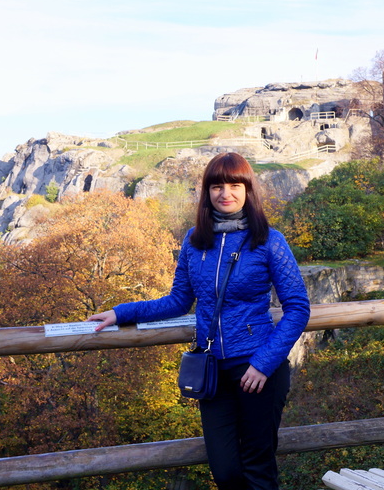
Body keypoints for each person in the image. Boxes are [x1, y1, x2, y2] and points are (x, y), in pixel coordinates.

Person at [89, 152, 310, 490]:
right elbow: (178, 300)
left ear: (248, 190)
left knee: (258, 468)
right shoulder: (195, 241)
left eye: (235, 185)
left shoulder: (268, 240)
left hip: (257, 368)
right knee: (225, 471)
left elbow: (297, 308)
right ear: (207, 191)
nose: (226, 193)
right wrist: (122, 312)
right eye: (217, 186)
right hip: (213, 370)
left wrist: (263, 363)